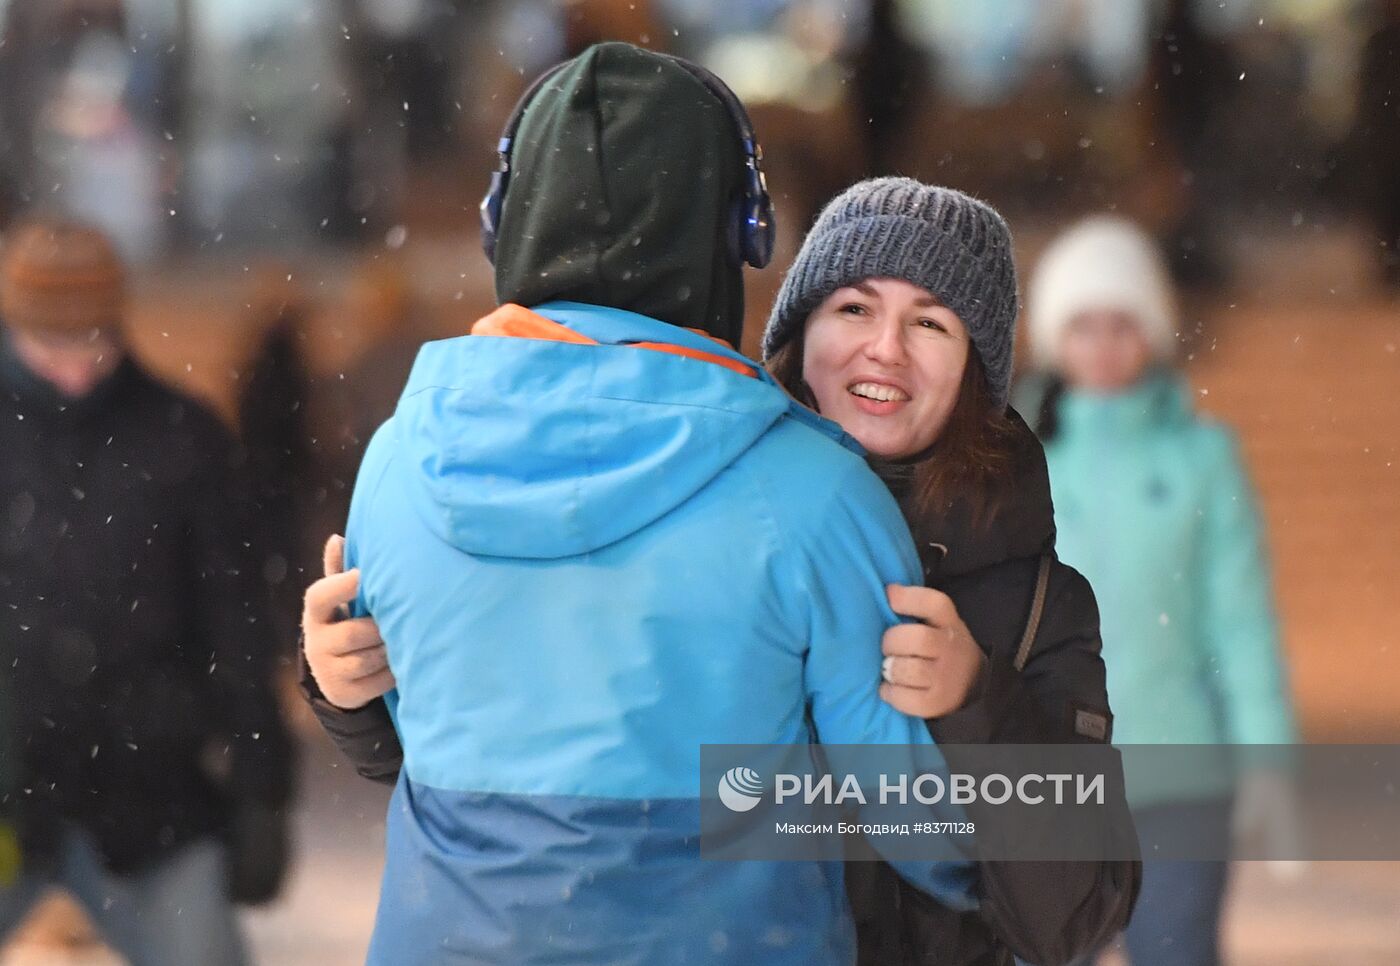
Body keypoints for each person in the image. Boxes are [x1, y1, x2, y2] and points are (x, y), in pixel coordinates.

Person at [305, 180, 1138, 965]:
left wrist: (977, 706)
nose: (885, 349)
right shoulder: (683, 509)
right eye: (853, 307)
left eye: (931, 323)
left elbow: (1076, 914)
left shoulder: (1035, 604)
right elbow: (522, 772)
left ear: (977, 373)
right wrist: (352, 693)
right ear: (797, 333)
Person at [0, 218, 295, 965]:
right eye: (50, 345)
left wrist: (263, 786)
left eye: (92, 340)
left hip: (152, 803)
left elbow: (238, 624)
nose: (74, 370)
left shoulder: (181, 437)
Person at [1022, 215, 1300, 966]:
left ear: (1155, 330)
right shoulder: (1017, 460)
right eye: (1084, 323)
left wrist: (1266, 757)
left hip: (1179, 778)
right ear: (1053, 335)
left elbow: (1238, 619)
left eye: (1124, 321)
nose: (1105, 343)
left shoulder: (1205, 459)